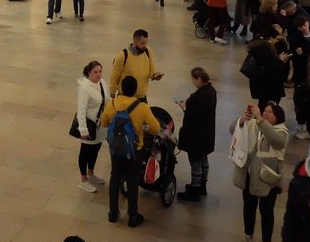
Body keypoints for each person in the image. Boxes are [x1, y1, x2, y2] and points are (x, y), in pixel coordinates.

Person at [100, 74, 162, 227]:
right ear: (135, 90)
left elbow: (104, 122)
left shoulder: (112, 104)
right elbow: (156, 128)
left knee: (115, 179)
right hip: (134, 150)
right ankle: (133, 216)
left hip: (115, 149)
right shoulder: (142, 107)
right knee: (132, 181)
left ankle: (113, 213)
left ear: (121, 88)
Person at [232, 102, 289, 242]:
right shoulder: (253, 124)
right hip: (250, 175)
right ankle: (248, 236)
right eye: (265, 111)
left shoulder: (281, 131)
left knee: (267, 212)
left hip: (267, 178)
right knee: (248, 207)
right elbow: (232, 130)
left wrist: (260, 119)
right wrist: (242, 120)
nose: (266, 113)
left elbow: (277, 141)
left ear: (278, 116)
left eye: (270, 112)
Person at [175, 66, 217, 201]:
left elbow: (195, 116)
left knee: (195, 162)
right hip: (206, 134)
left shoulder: (200, 96)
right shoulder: (211, 91)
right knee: (203, 159)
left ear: (198, 78)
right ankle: (202, 186)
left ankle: (194, 190)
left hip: (196, 136)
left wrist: (185, 108)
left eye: (193, 79)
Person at [74, 60, 107, 192]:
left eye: (100, 71)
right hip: (89, 125)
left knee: (96, 148)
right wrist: (83, 130)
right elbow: (81, 111)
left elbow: (107, 101)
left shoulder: (102, 83)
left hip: (100, 126)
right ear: (89, 72)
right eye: (95, 72)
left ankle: (91, 173)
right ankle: (83, 180)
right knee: (85, 151)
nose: (98, 74)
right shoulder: (84, 88)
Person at [108, 28, 163, 99]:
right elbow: (114, 76)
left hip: (142, 97)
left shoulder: (148, 51)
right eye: (143, 43)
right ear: (135, 42)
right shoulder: (123, 56)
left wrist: (155, 76)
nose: (145, 46)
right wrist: (112, 92)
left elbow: (152, 70)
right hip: (125, 97)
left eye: (146, 43)